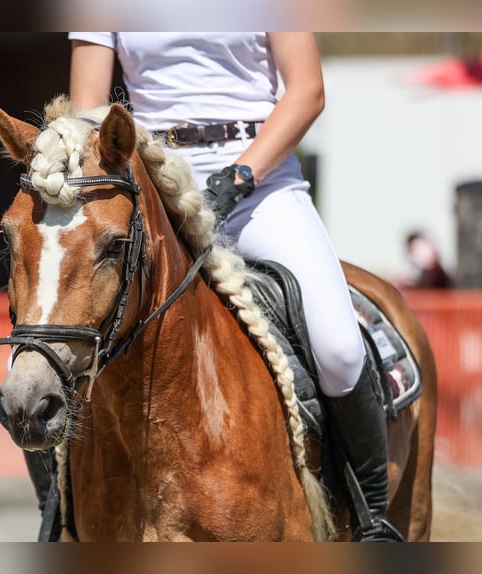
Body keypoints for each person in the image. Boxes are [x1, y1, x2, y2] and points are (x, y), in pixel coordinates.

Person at [58, 32, 401, 541]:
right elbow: (87, 113)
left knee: (338, 347)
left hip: (259, 179)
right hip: (150, 181)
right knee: (51, 343)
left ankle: (373, 519)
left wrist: (240, 175)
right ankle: (58, 514)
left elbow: (307, 91)